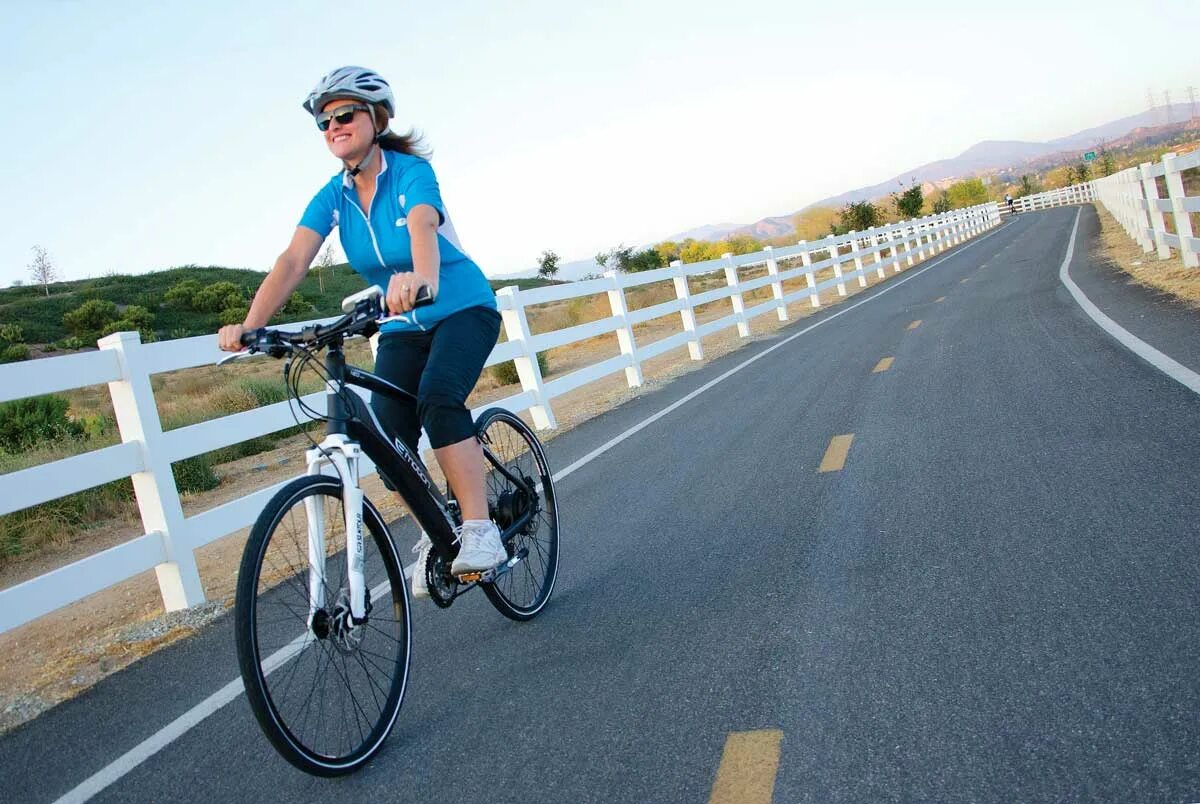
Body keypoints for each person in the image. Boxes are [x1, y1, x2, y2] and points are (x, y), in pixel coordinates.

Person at [217, 66, 506, 599]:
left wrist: (421, 278)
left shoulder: (410, 173)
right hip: (399, 323)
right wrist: (251, 327)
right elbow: (292, 260)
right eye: (324, 122)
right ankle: (437, 531)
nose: (333, 126)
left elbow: (423, 226)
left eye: (344, 114)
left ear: (375, 118)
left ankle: (482, 529)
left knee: (438, 399)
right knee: (387, 435)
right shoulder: (334, 196)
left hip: (461, 307)